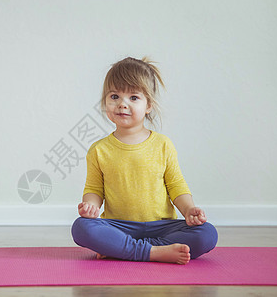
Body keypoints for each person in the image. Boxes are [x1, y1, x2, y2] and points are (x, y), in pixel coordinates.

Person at [71, 57, 218, 264]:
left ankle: (123, 248)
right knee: (81, 228)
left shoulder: (163, 144)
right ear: (105, 102)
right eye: (115, 96)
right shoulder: (99, 150)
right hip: (118, 226)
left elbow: (176, 185)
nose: (122, 104)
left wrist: (189, 210)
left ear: (148, 105)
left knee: (207, 233)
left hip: (162, 226)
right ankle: (154, 252)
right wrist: (90, 207)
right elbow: (94, 189)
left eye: (133, 97)